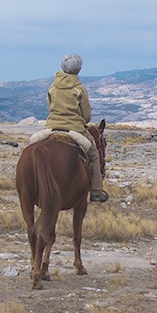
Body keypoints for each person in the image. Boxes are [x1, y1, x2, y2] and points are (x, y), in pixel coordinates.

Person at [44, 53, 108, 203]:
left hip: (51, 126)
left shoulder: (52, 87)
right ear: (79, 69)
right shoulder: (79, 89)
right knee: (93, 154)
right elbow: (86, 115)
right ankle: (96, 191)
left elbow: (49, 107)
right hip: (74, 128)